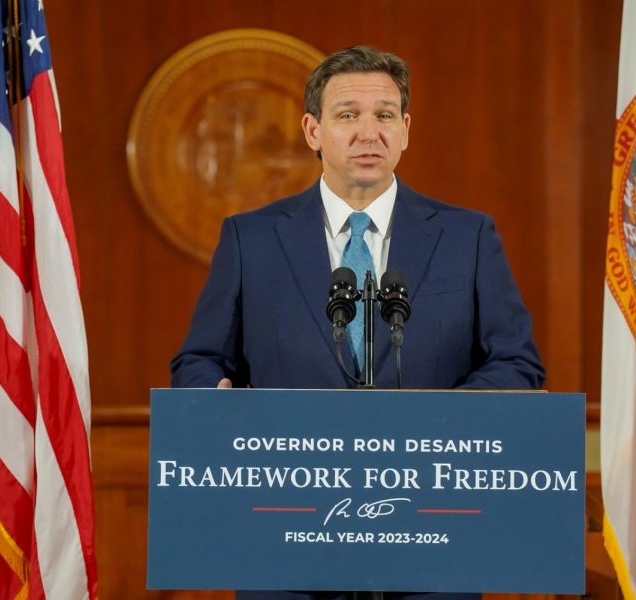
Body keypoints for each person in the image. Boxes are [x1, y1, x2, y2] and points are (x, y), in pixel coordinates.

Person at [170, 46, 545, 600]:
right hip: (288, 534)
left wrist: (445, 418)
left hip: (431, 536)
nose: (369, 132)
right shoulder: (250, 240)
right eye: (348, 115)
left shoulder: (468, 237)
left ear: (406, 129)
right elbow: (199, 360)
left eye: (384, 115)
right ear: (312, 130)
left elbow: (517, 363)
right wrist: (219, 401)